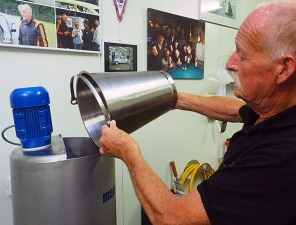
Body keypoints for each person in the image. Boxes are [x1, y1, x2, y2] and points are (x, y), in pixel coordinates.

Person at [99, 1, 296, 224]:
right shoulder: (273, 111)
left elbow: (170, 218)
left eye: (242, 55)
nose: (230, 63)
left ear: (284, 68)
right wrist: (174, 99)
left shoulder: (280, 159)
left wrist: (128, 152)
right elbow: (235, 110)